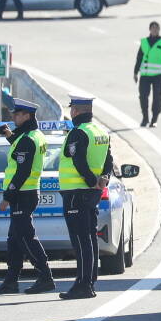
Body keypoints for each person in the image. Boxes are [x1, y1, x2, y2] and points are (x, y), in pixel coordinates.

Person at [0, 99, 55, 294]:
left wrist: (8, 197)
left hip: (22, 193)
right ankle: (11, 280)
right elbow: (22, 148)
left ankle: (45, 276)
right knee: (14, 238)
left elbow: (22, 171)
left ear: (27, 116)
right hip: (27, 192)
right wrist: (9, 136)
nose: (13, 117)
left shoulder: (28, 139)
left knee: (26, 237)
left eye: (17, 114)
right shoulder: (34, 135)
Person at [58, 95, 113, 300]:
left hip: (77, 192)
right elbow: (109, 160)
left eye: (72, 109)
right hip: (93, 192)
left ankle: (83, 284)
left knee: (80, 239)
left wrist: (90, 180)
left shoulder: (78, 133)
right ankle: (89, 279)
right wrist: (103, 180)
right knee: (89, 236)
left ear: (76, 111)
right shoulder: (100, 131)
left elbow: (78, 161)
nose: (71, 113)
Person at [133, 21, 161, 126]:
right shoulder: (144, 42)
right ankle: (145, 117)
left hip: (159, 76)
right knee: (143, 96)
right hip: (145, 75)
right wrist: (135, 72)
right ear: (149, 29)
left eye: (156, 28)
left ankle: (154, 119)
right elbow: (139, 58)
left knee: (157, 98)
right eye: (153, 28)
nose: (155, 30)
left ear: (159, 30)